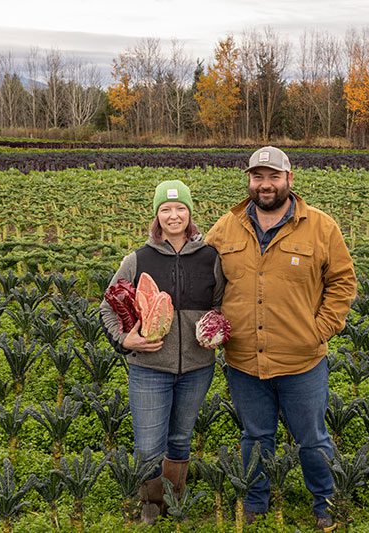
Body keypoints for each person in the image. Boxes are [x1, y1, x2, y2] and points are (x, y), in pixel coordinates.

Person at [206, 146, 357, 530]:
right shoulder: (225, 228)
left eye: (274, 176)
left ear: (290, 179)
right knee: (255, 436)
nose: (266, 184)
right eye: (258, 177)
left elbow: (342, 283)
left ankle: (326, 504)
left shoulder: (321, 227)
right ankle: (256, 502)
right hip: (243, 360)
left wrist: (319, 330)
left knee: (312, 438)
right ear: (249, 181)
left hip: (301, 360)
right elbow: (202, 281)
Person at [100, 179, 224, 524]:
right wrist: (125, 341)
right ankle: (152, 504)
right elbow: (106, 307)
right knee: (149, 445)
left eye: (180, 208)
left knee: (181, 437)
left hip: (198, 366)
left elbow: (220, 306)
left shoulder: (209, 257)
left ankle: (175, 498)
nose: (174, 215)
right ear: (157, 215)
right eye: (166, 209)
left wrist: (215, 331)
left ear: (190, 213)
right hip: (150, 367)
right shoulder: (137, 259)